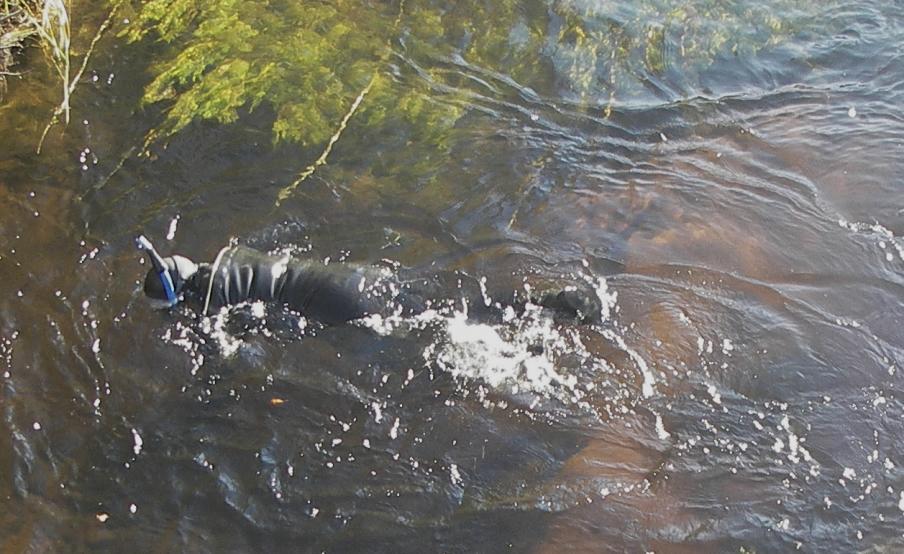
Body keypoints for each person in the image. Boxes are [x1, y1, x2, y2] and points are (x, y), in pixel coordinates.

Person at [136, 235, 603, 325]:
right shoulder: (232, 255)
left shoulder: (214, 303)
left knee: (445, 323)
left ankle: (546, 312)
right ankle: (542, 302)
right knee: (445, 306)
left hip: (341, 306)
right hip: (348, 277)